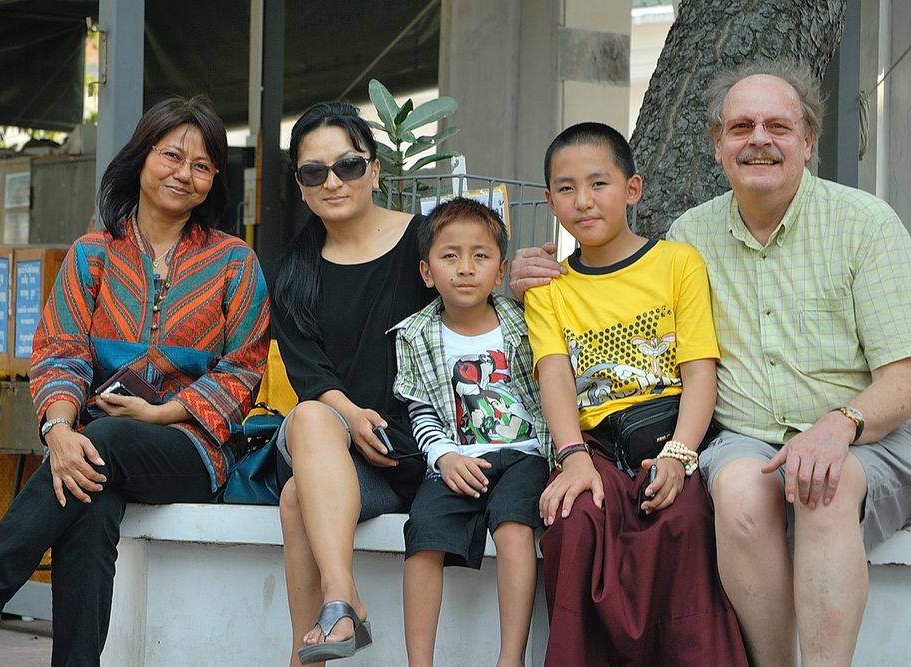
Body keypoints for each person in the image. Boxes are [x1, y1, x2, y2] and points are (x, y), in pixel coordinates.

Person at [0, 95, 271, 665]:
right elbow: (60, 351)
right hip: (96, 445)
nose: (185, 173)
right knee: (89, 500)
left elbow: (245, 368)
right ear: (141, 158)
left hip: (191, 448)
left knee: (98, 445)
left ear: (214, 181)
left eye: (202, 165)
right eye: (172, 155)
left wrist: (160, 414)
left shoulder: (235, 262)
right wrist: (58, 430)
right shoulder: (91, 256)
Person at [665, 61, 911, 666]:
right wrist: (541, 279)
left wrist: (837, 426)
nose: (759, 140)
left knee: (822, 488)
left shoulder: (866, 225)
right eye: (741, 126)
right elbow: (623, 319)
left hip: (864, 434)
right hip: (747, 437)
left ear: (807, 142)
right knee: (742, 493)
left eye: (779, 125)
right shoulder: (688, 237)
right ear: (718, 146)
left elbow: (904, 378)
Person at [525, 122, 747, 665]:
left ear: (632, 189)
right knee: (571, 519)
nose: (583, 201)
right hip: (595, 444)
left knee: (687, 516)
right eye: (566, 188)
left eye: (598, 184)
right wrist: (572, 457)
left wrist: (679, 455)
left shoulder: (677, 264)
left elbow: (700, 371)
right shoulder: (549, 288)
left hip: (676, 433)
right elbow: (554, 374)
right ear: (550, 200)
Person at [271, 101, 432, 665]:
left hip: (415, 449)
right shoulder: (294, 270)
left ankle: (305, 652)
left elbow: (475, 302)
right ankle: (344, 601)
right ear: (301, 185)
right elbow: (309, 373)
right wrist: (353, 415)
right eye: (315, 172)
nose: (333, 181)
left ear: (376, 169)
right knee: (314, 413)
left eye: (348, 166)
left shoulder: (425, 243)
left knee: (296, 499)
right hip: (334, 444)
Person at [389, 198, 550, 667]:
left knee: (514, 526)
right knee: (423, 532)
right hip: (458, 460)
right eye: (450, 255)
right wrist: (445, 459)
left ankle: (510, 658)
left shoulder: (524, 323)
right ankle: (419, 661)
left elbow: (551, 391)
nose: (465, 268)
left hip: (525, 455)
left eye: (480, 256)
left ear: (500, 272)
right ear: (426, 271)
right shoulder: (415, 336)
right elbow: (421, 412)